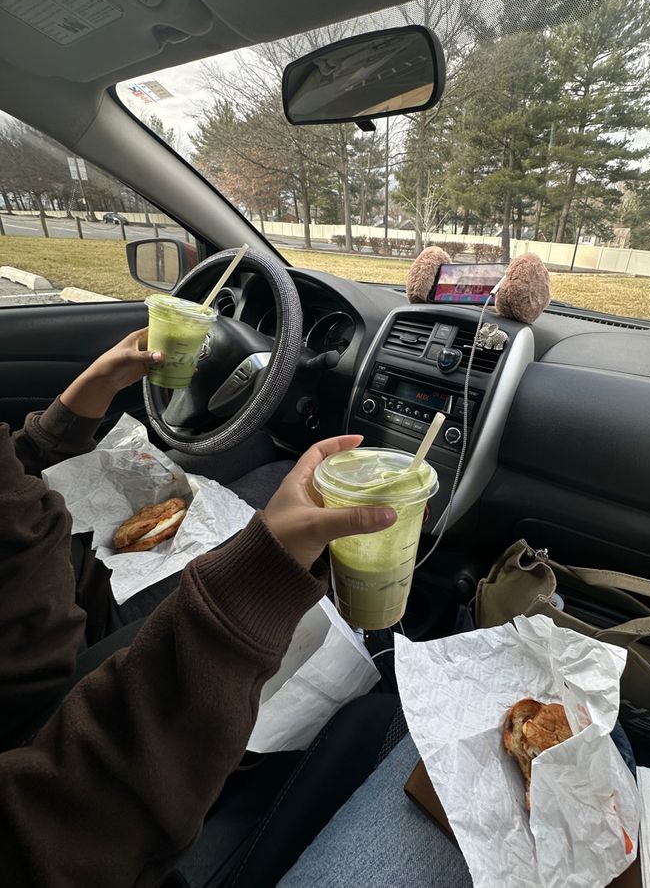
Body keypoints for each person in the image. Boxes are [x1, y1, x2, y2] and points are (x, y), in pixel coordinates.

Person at [0, 328, 396, 887]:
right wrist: (255, 589)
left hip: (64, 581)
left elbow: (10, 487)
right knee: (377, 714)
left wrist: (71, 412)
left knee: (262, 458)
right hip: (63, 685)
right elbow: (51, 835)